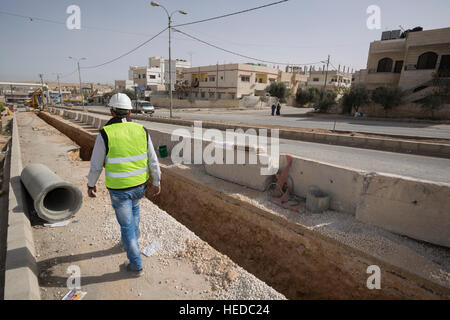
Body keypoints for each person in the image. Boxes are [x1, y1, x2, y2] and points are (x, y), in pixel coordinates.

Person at [87, 93, 161, 277]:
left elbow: (96, 164)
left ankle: (136, 265)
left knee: (126, 226)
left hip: (119, 190)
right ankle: (132, 241)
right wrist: (157, 181)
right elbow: (153, 160)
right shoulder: (142, 130)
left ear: (111, 111)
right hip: (139, 187)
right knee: (134, 212)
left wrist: (91, 184)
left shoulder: (105, 133)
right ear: (129, 111)